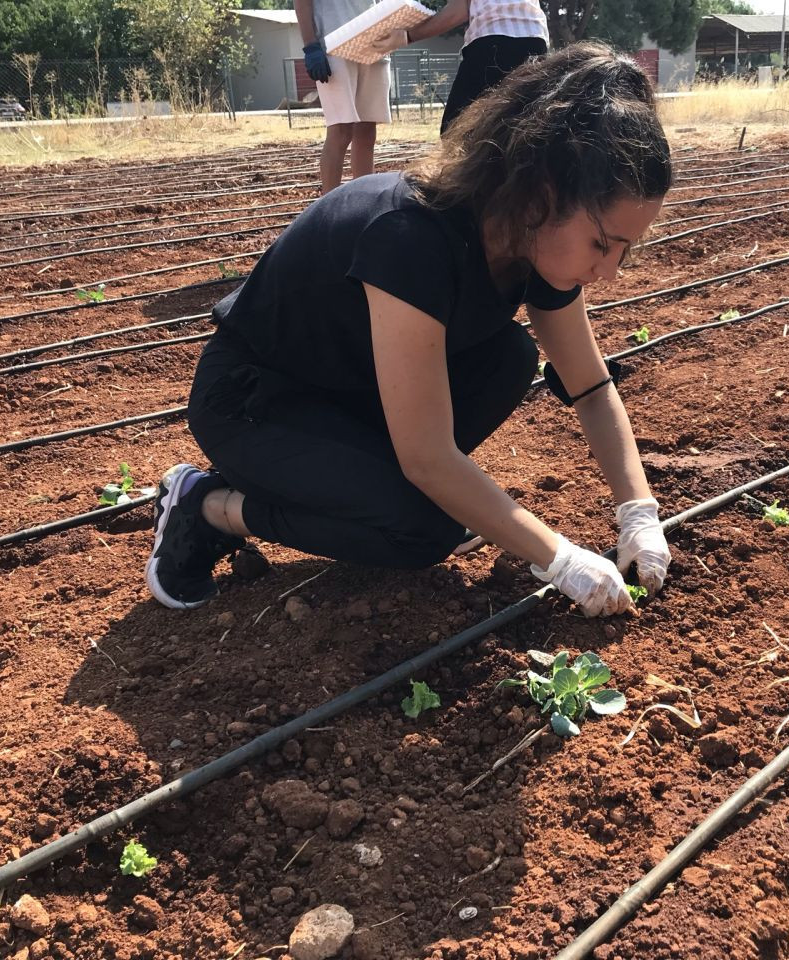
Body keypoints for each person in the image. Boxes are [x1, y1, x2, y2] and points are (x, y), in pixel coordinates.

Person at [145, 43, 674, 619]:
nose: (608, 272)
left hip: (347, 395)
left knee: (508, 357)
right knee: (425, 529)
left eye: (625, 250)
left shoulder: (529, 241)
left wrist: (638, 513)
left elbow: (591, 388)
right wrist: (560, 558)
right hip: (255, 403)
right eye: (603, 244)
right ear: (541, 197)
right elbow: (426, 458)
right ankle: (209, 504)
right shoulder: (411, 237)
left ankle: (363, 486)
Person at [370, 0, 549, 133]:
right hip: (536, 40)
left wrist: (407, 36)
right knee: (522, 127)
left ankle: (476, 182)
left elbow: (458, 11)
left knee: (455, 129)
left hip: (493, 40)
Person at [296, 0, 391, 193]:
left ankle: (363, 204)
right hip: (334, 45)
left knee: (366, 130)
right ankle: (328, 214)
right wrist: (310, 45)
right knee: (341, 131)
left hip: (373, 42)